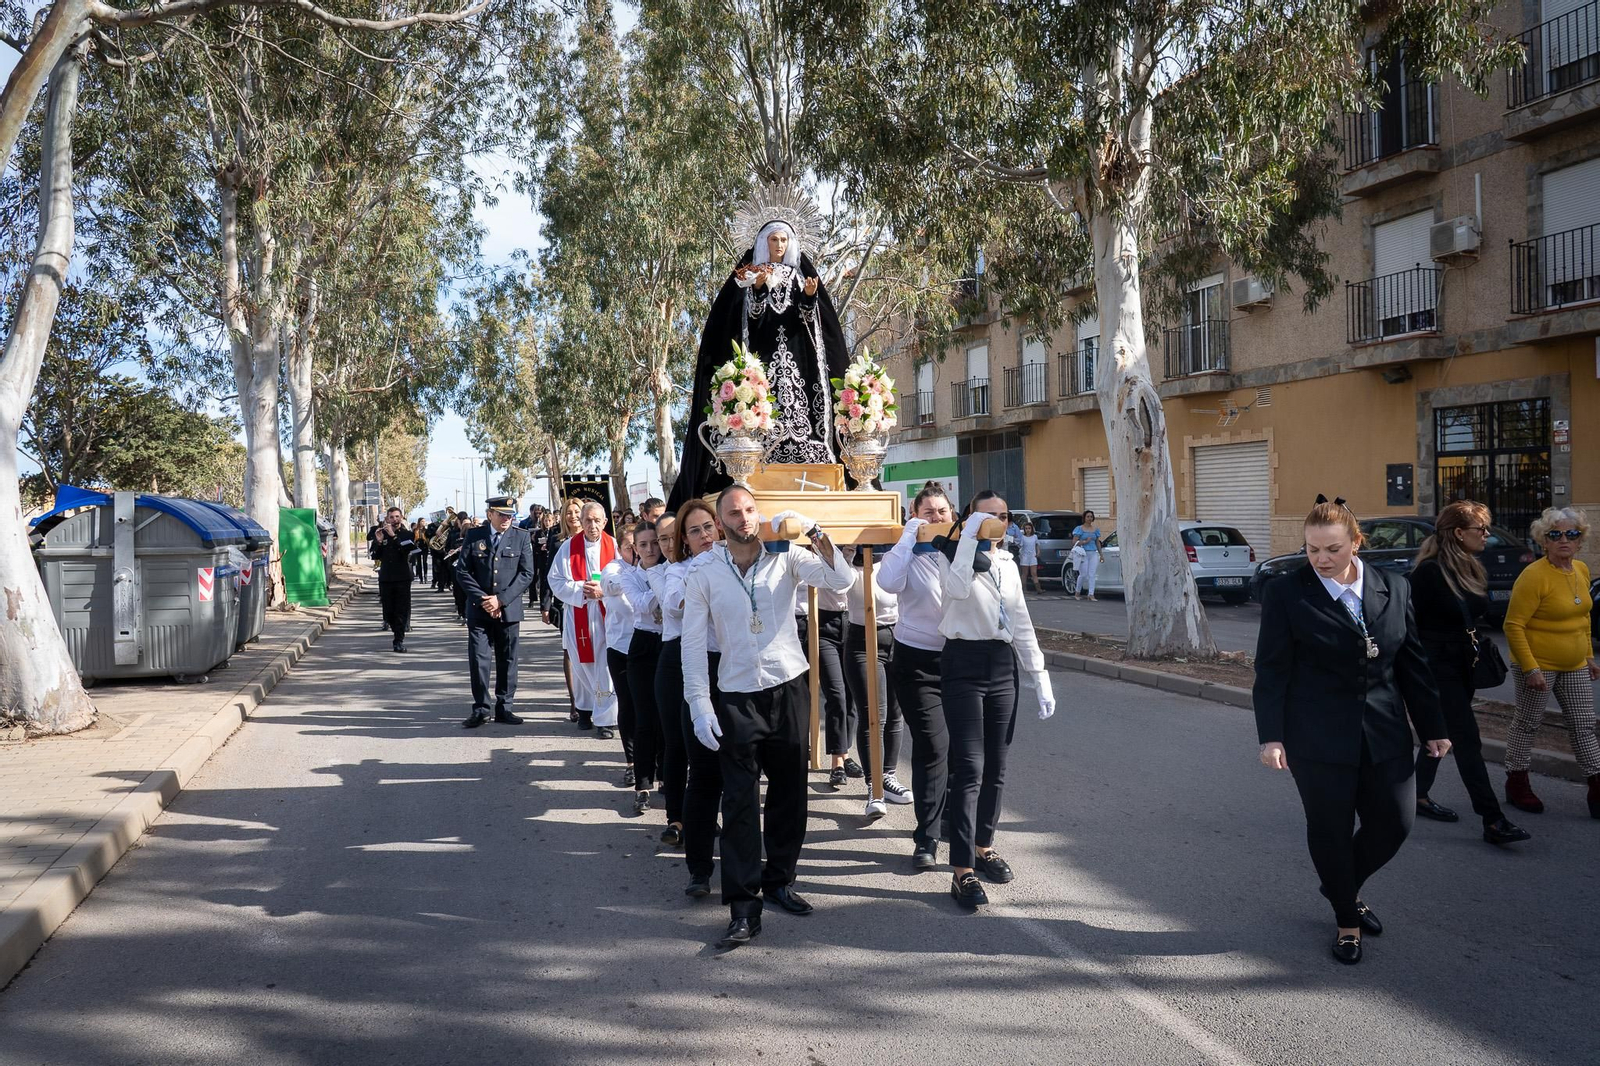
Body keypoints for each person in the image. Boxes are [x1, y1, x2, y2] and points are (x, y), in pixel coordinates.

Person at [1253, 497, 1449, 965]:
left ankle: (1338, 883)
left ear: (1357, 543)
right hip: (1316, 737)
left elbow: (1412, 664)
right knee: (1331, 830)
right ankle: (1347, 920)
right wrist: (1272, 736)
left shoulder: (1394, 587)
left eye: (1332, 549)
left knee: (1396, 823)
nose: (1321, 559)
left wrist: (1433, 726)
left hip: (1385, 732)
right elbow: (1273, 670)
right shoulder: (1287, 592)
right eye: (1312, 549)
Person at [682, 488, 854, 949]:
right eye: (734, 513)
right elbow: (693, 645)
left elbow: (843, 581)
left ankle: (780, 880)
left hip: (788, 686)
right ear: (720, 523)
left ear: (759, 514)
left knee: (789, 792)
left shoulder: (789, 556)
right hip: (736, 693)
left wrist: (815, 531)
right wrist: (700, 704)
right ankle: (743, 906)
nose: (744, 518)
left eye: (750, 510)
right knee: (738, 802)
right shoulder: (703, 572)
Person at [667, 203, 851, 510]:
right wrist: (760, 290)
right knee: (763, 405)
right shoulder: (749, 277)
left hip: (797, 362)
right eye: (773, 240)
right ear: (763, 243)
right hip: (762, 361)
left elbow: (809, 323)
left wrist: (809, 297)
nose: (779, 246)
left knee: (799, 404)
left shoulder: (800, 276)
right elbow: (748, 320)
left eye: (783, 241)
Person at [938, 490, 1055, 909]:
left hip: (1001, 664)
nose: (999, 523)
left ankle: (984, 845)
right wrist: (968, 537)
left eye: (1004, 516)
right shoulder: (949, 552)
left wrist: (1039, 674)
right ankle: (961, 870)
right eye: (990, 516)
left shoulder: (1006, 561)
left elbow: (1020, 620)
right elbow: (954, 589)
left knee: (997, 766)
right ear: (970, 517)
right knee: (969, 767)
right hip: (963, 661)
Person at [1410, 502, 1530, 846]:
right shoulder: (1429, 573)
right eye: (1482, 529)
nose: (1487, 536)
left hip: (1463, 663)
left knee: (1443, 730)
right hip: (1437, 667)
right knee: (1466, 739)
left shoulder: (1468, 567)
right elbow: (1411, 627)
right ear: (1459, 533)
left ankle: (1417, 794)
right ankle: (1492, 819)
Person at [876, 482, 956, 870]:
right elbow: (886, 582)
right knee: (932, 747)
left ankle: (964, 832)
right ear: (916, 514)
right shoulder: (906, 555)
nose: (937, 518)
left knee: (963, 753)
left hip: (960, 662)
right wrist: (911, 533)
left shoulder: (961, 550)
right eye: (929, 512)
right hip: (916, 664)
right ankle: (927, 836)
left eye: (942, 511)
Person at [1501, 506, 1598, 819]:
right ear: (1544, 541)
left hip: (1575, 665)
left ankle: (1597, 786)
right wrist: (1531, 668)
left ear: (1580, 539)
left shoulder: (1581, 570)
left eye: (1572, 534)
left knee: (1584, 725)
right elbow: (1513, 625)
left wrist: (1589, 657)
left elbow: (1583, 618)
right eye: (1555, 535)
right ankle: (1517, 783)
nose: (1564, 540)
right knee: (1527, 724)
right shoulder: (1534, 576)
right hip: (1538, 665)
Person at [670, 500, 726, 900]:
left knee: (740, 776)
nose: (705, 536)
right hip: (697, 672)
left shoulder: (741, 560)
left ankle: (743, 865)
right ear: (684, 542)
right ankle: (699, 869)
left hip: (740, 673)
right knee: (704, 774)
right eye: (695, 531)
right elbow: (682, 604)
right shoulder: (678, 572)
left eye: (709, 527)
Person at [456, 497, 536, 728]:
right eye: (501, 514)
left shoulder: (521, 537)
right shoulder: (474, 536)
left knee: (507, 659)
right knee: (479, 660)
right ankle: (481, 709)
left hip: (508, 609)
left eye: (510, 515)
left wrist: (500, 600)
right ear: (490, 513)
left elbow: (526, 574)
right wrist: (484, 600)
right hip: (480, 610)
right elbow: (463, 572)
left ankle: (505, 707)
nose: (506, 519)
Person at [844, 545, 910, 821]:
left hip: (898, 637)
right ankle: (875, 787)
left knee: (895, 714)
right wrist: (846, 552)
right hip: (861, 641)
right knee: (874, 714)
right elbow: (836, 584)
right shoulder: (849, 566)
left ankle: (889, 776)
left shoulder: (893, 561)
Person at [549, 501, 621, 734]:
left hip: (607, 614)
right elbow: (556, 580)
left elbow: (626, 577)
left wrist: (604, 590)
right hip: (579, 613)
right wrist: (582, 590)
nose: (592, 525)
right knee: (581, 664)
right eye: (587, 520)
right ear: (581, 521)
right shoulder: (568, 547)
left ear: (605, 522)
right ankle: (584, 709)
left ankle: (605, 720)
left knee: (605, 667)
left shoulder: (615, 546)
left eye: (596, 520)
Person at [646, 513, 689, 847]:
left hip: (711, 659)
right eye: (662, 539)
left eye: (675, 534)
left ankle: (704, 813)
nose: (669, 543)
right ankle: (675, 818)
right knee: (675, 744)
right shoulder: (658, 572)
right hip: (674, 658)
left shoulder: (712, 561)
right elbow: (674, 608)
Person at [620, 521, 666, 817]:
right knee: (645, 717)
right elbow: (642, 605)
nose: (650, 549)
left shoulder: (672, 569)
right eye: (644, 545)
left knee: (669, 719)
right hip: (643, 646)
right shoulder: (630, 577)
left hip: (670, 643)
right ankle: (643, 784)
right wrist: (663, 583)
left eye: (655, 543)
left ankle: (669, 779)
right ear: (635, 549)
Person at [797, 578, 860, 788]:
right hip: (823, 624)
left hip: (853, 621)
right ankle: (836, 763)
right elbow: (838, 583)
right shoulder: (825, 552)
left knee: (850, 696)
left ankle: (844, 753)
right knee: (836, 693)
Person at [600, 525, 639, 755]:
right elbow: (610, 586)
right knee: (628, 705)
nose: (635, 552)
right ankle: (631, 761)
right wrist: (635, 574)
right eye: (629, 547)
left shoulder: (653, 566)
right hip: (621, 647)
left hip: (647, 645)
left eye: (640, 545)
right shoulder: (613, 568)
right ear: (620, 549)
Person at [546, 500, 583, 722]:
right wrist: (545, 604)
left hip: (594, 603)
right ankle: (574, 702)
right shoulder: (558, 542)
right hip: (566, 603)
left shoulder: (598, 539)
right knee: (570, 650)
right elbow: (548, 572)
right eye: (568, 512)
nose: (573, 516)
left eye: (577, 512)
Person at [369, 507, 415, 653]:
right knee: (388, 612)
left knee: (401, 610)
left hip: (402, 577)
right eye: (391, 517)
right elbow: (375, 556)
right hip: (386, 578)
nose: (394, 520)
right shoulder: (381, 534)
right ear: (387, 519)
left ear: (401, 517)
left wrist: (393, 536)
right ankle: (396, 629)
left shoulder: (407, 534)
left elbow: (405, 551)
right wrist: (380, 541)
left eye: (397, 517)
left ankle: (398, 640)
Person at [1071, 510, 1104, 601]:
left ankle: (1091, 594)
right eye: (1088, 516)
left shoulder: (1095, 529)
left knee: (1092, 574)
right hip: (1083, 553)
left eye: (1091, 517)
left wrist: (1101, 554)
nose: (1090, 518)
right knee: (1084, 574)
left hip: (1093, 553)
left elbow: (1097, 542)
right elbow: (1074, 542)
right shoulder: (1079, 529)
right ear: (1084, 518)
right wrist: (1084, 542)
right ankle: (1077, 592)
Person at [1017, 521, 1041, 593]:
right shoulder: (1023, 537)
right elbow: (1020, 546)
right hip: (1025, 557)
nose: (1028, 530)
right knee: (1025, 573)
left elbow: (1037, 545)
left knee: (1034, 573)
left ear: (1032, 529)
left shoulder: (1035, 537)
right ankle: (1024, 589)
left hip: (1032, 557)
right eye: (1026, 528)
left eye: (1029, 528)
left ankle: (1038, 589)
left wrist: (1038, 552)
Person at [410, 518, 429, 583]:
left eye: (424, 521)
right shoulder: (415, 530)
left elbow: (428, 537)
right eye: (422, 521)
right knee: (419, 563)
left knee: (424, 562)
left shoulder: (426, 530)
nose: (423, 522)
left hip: (424, 546)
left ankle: (425, 577)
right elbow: (413, 538)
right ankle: (421, 578)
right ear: (419, 522)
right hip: (417, 546)